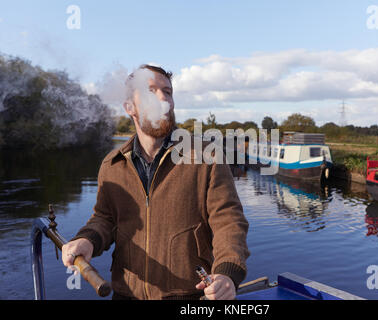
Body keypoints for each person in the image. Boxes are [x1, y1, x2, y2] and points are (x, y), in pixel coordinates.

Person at [62, 64, 250, 300]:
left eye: (168, 92)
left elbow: (228, 222)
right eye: (152, 91)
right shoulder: (112, 165)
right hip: (125, 294)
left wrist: (227, 274)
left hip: (190, 296)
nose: (164, 100)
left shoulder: (207, 156)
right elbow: (105, 218)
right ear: (130, 107)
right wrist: (87, 239)